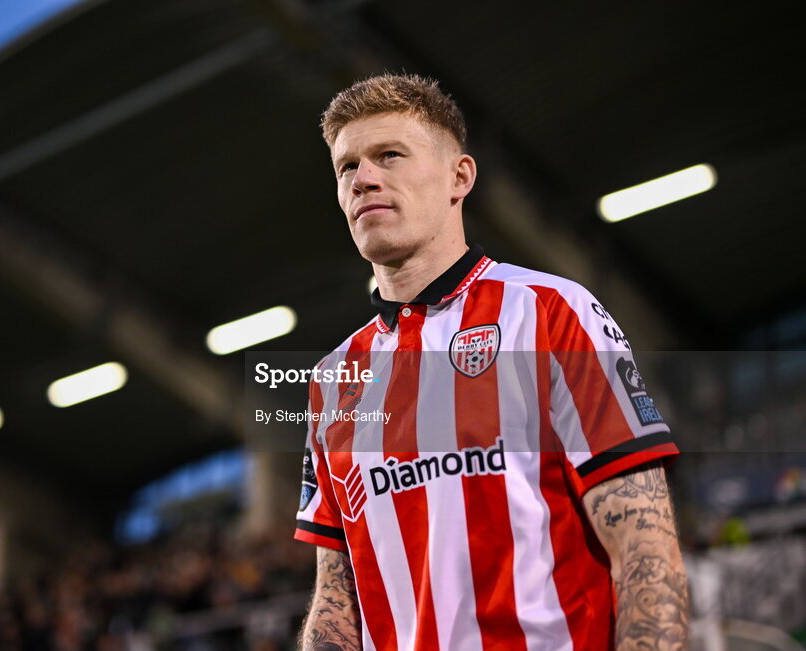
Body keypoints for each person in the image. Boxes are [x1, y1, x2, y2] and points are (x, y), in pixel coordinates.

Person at [293, 74, 689, 650]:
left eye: (390, 156)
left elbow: (646, 552)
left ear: (460, 177)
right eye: (346, 167)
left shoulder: (551, 313)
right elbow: (336, 599)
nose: (364, 179)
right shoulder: (334, 380)